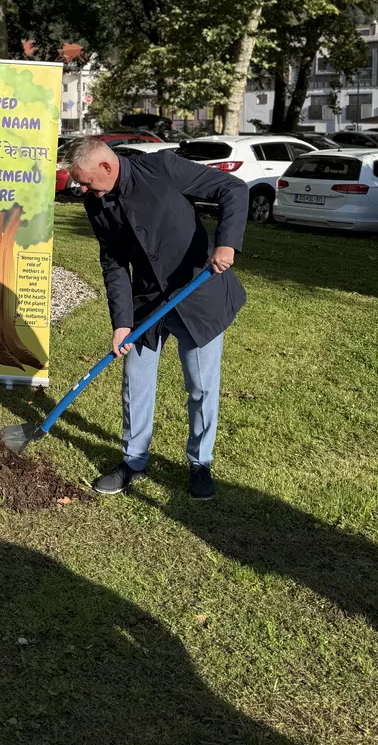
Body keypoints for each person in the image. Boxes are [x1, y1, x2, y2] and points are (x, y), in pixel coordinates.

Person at [66, 137, 248, 500]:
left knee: (200, 386)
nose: (81, 188)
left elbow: (233, 188)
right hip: (147, 304)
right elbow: (114, 263)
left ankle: (200, 462)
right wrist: (121, 321)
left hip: (197, 294)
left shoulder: (163, 168)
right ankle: (133, 460)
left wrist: (226, 242)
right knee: (136, 381)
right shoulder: (96, 203)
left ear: (106, 166)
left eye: (84, 181)